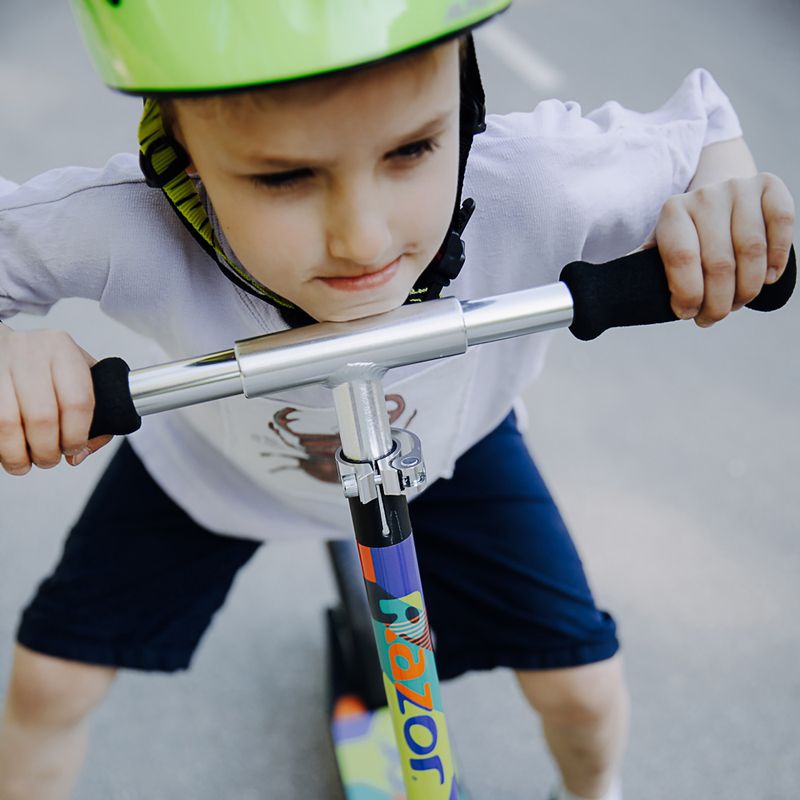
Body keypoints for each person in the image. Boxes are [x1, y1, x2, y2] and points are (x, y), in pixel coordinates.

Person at [0, 2, 794, 799]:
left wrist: (724, 200)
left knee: (581, 689)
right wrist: (12, 355)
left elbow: (703, 131)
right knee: (48, 684)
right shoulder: (130, 228)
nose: (364, 240)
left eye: (412, 149)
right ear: (181, 163)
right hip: (209, 469)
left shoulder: (533, 182)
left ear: (466, 108)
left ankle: (591, 792)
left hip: (449, 452)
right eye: (283, 176)